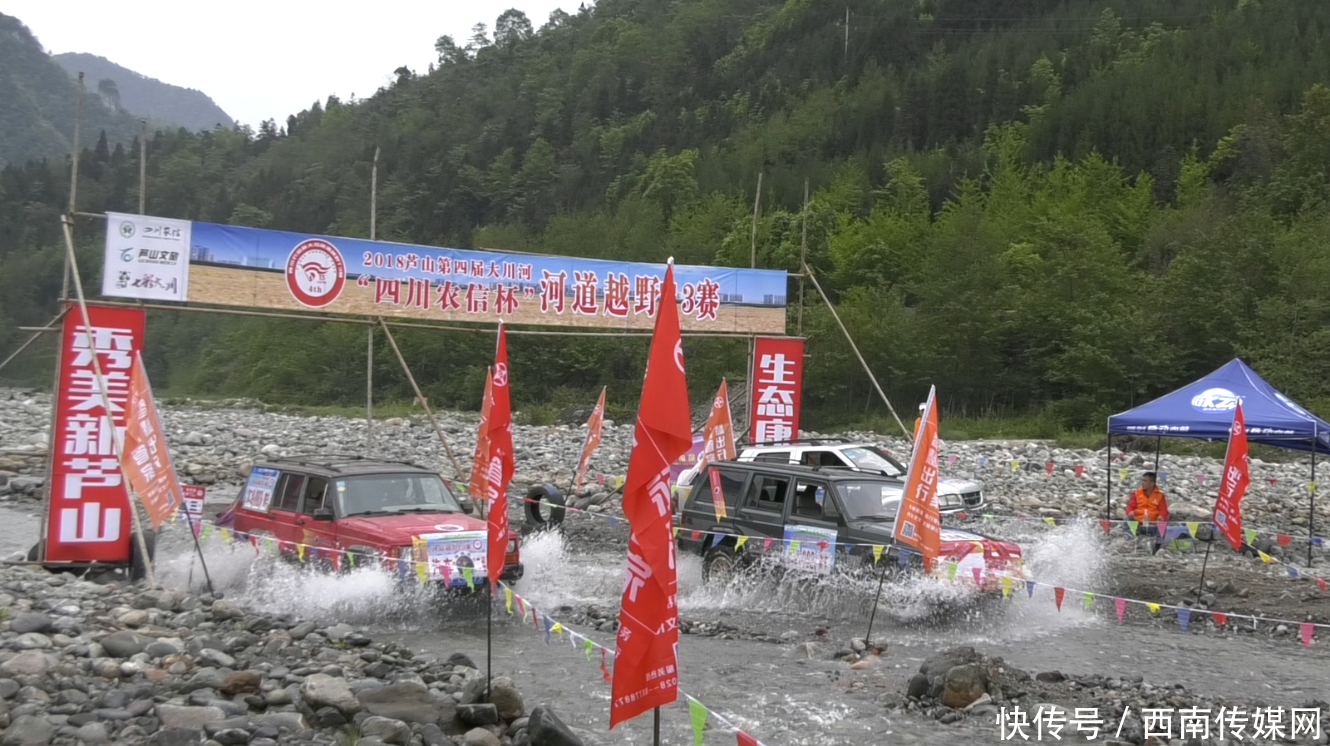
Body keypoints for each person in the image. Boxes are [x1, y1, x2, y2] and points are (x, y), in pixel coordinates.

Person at [1126, 472, 1170, 555]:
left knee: (1163, 523)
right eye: (1142, 480)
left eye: (1145, 481)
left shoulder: (1160, 495)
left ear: (1152, 483)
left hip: (1153, 525)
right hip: (1138, 524)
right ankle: (1129, 543)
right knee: (1127, 519)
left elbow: (1164, 510)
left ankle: (1157, 547)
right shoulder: (1136, 493)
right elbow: (1130, 507)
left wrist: (1161, 516)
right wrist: (1130, 512)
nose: (1142, 483)